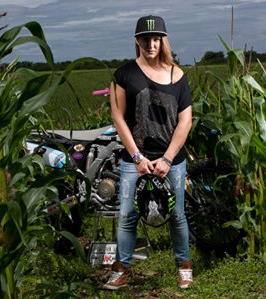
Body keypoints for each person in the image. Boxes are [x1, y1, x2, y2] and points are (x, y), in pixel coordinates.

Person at [102, 15, 194, 290]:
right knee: (128, 214)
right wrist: (137, 157)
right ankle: (121, 269)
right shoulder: (124, 75)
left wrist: (167, 158)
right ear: (137, 41)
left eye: (156, 39)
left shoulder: (177, 75)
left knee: (176, 215)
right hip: (135, 159)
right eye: (145, 39)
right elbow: (118, 118)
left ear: (163, 40)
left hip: (172, 160)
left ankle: (184, 265)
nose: (151, 43)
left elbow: (185, 120)